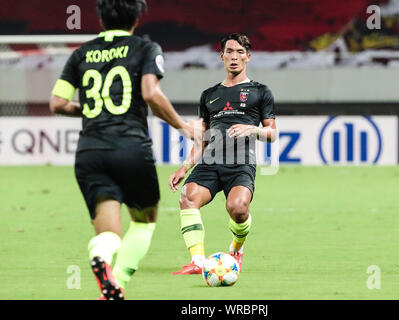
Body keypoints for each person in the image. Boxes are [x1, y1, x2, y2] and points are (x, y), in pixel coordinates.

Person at [49, 0, 200, 299]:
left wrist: (96, 109)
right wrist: (184, 127)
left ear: (101, 18)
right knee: (144, 222)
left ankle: (103, 264)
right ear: (137, 18)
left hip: (90, 151)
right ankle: (115, 280)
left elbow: (57, 103)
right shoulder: (145, 48)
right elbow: (150, 93)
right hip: (131, 148)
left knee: (108, 234)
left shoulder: (81, 53)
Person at [169, 33, 278, 275]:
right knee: (187, 196)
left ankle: (236, 249)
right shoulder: (209, 95)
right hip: (210, 162)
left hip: (240, 163)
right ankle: (197, 261)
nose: (234, 57)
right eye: (229, 51)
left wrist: (253, 129)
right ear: (222, 56)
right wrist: (184, 167)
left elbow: (272, 133)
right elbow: (202, 138)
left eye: (240, 52)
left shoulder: (260, 92)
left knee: (238, 208)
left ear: (248, 57)